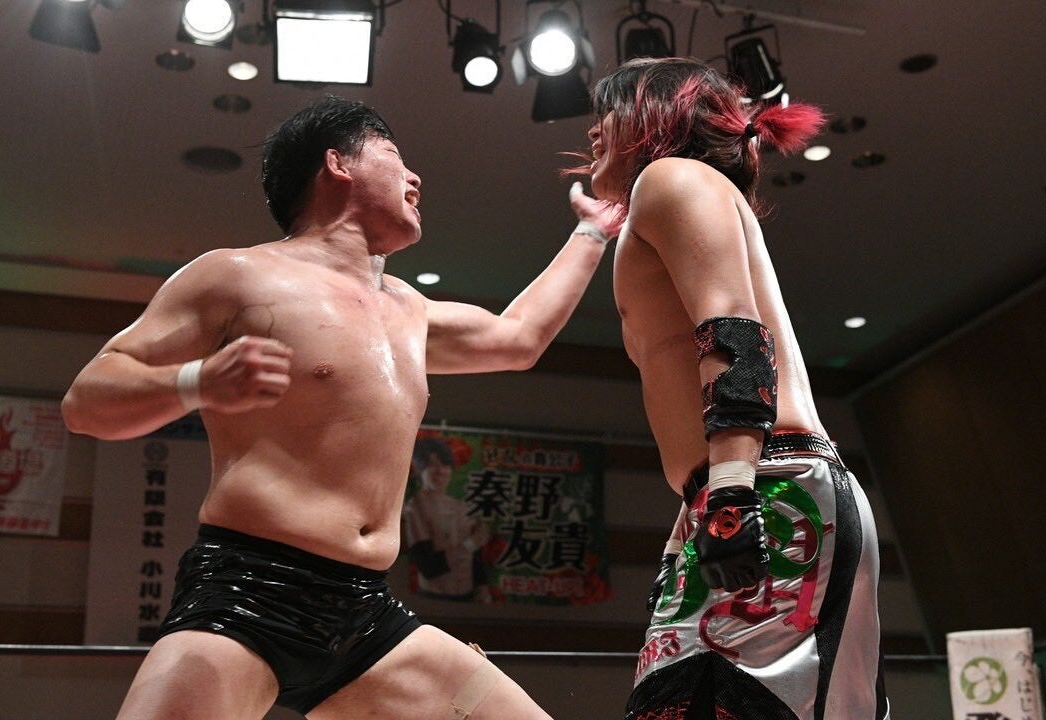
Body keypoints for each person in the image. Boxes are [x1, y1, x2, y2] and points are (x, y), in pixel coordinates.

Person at [61, 94, 618, 720]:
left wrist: (592, 231)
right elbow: (86, 400)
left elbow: (519, 339)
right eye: (395, 154)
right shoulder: (235, 276)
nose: (415, 178)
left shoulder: (410, 310)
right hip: (245, 595)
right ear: (338, 163)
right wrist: (197, 381)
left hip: (366, 616)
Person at [573, 58, 889, 719]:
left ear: (656, 115)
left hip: (764, 485)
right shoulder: (672, 195)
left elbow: (735, 330)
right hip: (747, 485)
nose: (593, 130)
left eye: (608, 111)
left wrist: (732, 496)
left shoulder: (672, 178)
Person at [404, 436, 493, 602]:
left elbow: (475, 557)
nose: (440, 470)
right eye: (432, 464)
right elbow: (429, 567)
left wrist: (482, 587)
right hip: (434, 599)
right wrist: (472, 543)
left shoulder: (461, 506)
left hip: (469, 597)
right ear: (420, 469)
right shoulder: (415, 507)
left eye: (445, 464)